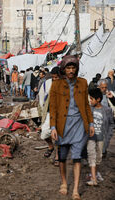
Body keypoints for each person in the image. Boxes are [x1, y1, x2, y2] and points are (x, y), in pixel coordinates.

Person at [50, 55, 94, 200]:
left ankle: (75, 189)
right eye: (68, 68)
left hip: (79, 125)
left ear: (76, 69)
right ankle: (64, 182)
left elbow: (87, 106)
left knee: (77, 158)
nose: (70, 70)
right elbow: (53, 107)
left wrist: (91, 123)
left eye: (73, 67)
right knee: (62, 157)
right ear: (63, 69)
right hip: (63, 126)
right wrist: (53, 127)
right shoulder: (56, 84)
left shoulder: (83, 83)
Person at [87, 88, 114, 186]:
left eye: (91, 99)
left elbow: (111, 123)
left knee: (99, 157)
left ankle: (93, 173)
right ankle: (94, 179)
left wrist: (109, 135)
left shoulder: (107, 110)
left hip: (102, 138)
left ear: (98, 99)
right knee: (92, 155)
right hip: (90, 138)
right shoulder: (89, 109)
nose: (90, 101)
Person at [38, 67, 60, 164]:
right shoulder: (47, 84)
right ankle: (50, 146)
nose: (55, 79)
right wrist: (42, 111)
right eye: (53, 77)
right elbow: (41, 97)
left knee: (58, 135)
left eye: (57, 77)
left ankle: (57, 155)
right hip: (48, 113)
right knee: (44, 133)